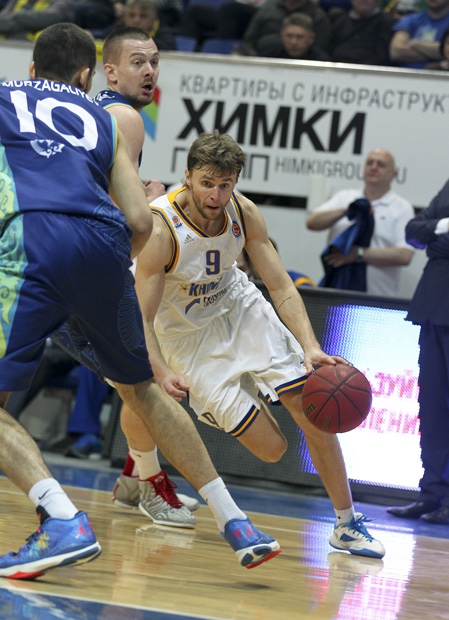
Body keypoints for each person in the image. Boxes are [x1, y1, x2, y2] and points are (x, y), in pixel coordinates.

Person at [0, 23, 279, 578]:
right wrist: (104, 267)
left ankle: (61, 519)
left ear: (31, 69)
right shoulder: (106, 119)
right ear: (87, 76)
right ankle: (235, 520)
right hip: (106, 252)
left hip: (34, 246)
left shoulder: (6, 95)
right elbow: (138, 221)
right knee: (143, 389)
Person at [118, 130, 386, 560]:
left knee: (311, 407)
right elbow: (142, 316)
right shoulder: (161, 228)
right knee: (272, 449)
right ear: (187, 176)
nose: (216, 194)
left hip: (238, 306)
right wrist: (162, 369)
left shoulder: (243, 212)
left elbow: (279, 285)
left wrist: (310, 346)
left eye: (225, 184)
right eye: (207, 183)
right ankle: (144, 469)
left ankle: (346, 523)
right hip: (186, 337)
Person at [91, 26, 200, 525]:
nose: (150, 71)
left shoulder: (96, 110)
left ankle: (133, 479)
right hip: (92, 262)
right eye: (138, 62)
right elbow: (118, 209)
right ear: (110, 71)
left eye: (154, 61)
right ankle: (154, 486)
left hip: (64, 252)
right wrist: (150, 198)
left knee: (134, 375)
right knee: (140, 378)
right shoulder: (127, 117)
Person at [387, 180, 449, 524]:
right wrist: (443, 227)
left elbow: (428, 239)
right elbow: (413, 231)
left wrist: (436, 240)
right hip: (434, 304)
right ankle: (431, 494)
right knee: (432, 406)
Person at [306, 148, 415, 297]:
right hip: (335, 294)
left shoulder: (402, 208)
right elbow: (312, 222)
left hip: (378, 299)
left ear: (394, 174)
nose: (374, 167)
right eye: (370, 162)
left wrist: (358, 254)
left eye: (381, 164)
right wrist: (347, 210)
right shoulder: (345, 197)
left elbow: (404, 255)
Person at [239, 0, 332, 56]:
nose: (293, 42)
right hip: (267, 61)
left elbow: (321, 48)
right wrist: (258, 61)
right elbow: (248, 42)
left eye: (298, 37)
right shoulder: (267, 11)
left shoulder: (318, 16)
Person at [328, 0, 395, 66]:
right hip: (337, 68)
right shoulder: (339, 21)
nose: (364, 0)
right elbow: (329, 50)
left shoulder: (387, 24)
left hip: (371, 70)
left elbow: (382, 57)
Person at [389, 0, 449, 68]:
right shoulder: (411, 19)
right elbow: (396, 52)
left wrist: (416, 44)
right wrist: (435, 55)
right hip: (405, 73)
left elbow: (446, 50)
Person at [262, 12, 331, 60]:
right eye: (289, 36)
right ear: (282, 36)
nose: (293, 42)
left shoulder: (321, 62)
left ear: (311, 38)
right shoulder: (270, 57)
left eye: (300, 37)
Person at [0, 0, 74, 40]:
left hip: (41, 50)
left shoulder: (62, 2)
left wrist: (15, 15)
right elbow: (2, 19)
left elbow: (50, 18)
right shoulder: (18, 1)